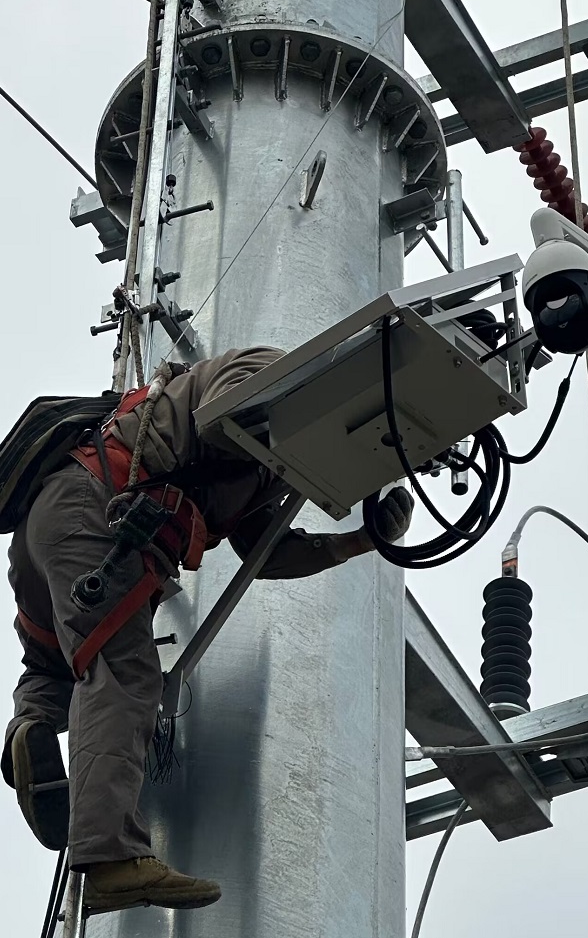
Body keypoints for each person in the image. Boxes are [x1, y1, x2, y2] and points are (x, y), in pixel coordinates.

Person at [1, 347, 413, 913]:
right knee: (124, 672)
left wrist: (361, 540)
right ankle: (111, 857)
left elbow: (263, 552)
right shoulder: (265, 368)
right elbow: (226, 415)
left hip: (57, 526)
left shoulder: (268, 467)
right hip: (95, 508)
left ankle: (32, 725)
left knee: (55, 660)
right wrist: (320, 435)